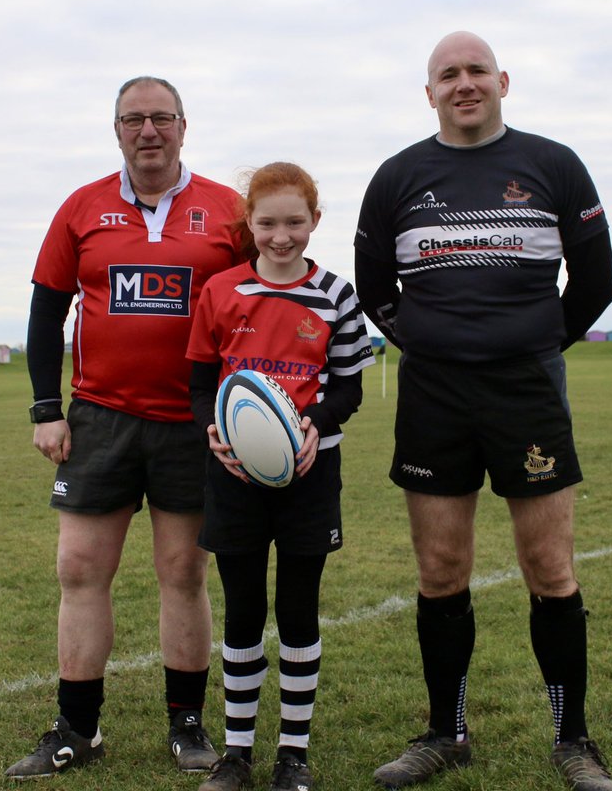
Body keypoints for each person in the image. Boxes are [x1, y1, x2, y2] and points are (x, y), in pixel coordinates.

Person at [354, 32, 612, 791]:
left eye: (476, 71)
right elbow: (376, 286)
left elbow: (595, 283)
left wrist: (533, 345)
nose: (463, 84)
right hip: (434, 394)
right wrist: (432, 343)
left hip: (525, 390)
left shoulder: (553, 165)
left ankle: (573, 740)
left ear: (503, 80)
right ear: (429, 91)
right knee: (441, 569)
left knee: (548, 566)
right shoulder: (398, 176)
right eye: (448, 74)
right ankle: (447, 731)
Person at [6, 76, 245, 781]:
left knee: (182, 572)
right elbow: (47, 314)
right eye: (133, 119)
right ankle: (76, 729)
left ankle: (188, 724)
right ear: (116, 130)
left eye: (161, 118)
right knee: (80, 569)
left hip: (190, 424)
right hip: (100, 421)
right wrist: (45, 409)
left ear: (183, 126)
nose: (148, 131)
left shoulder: (228, 212)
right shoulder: (81, 208)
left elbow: (254, 307)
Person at [186, 162, 376, 791]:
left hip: (310, 472)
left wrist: (313, 424)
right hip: (235, 473)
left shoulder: (337, 297)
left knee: (297, 610)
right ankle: (236, 753)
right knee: (242, 611)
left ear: (315, 222)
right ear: (250, 223)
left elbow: (349, 385)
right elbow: (199, 384)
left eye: (296, 222)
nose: (282, 235)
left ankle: (292, 755)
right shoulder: (220, 291)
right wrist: (215, 432)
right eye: (267, 223)